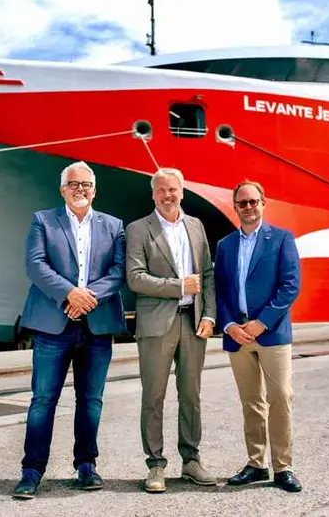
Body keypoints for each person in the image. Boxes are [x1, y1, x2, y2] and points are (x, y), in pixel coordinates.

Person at [12, 161, 127, 500]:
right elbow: (35, 264)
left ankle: (86, 465)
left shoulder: (114, 225)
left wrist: (87, 299)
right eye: (74, 184)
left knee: (91, 401)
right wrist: (69, 293)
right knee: (43, 400)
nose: (81, 189)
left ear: (95, 190)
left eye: (87, 184)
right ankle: (32, 470)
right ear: (62, 189)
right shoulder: (43, 221)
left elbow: (119, 270)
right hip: (53, 326)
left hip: (97, 326)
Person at [125, 167, 217, 493]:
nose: (168, 195)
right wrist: (179, 286)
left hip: (193, 323)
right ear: (153, 194)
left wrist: (209, 315)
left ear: (182, 191)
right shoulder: (138, 230)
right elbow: (135, 278)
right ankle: (155, 465)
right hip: (156, 324)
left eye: (173, 190)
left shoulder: (195, 225)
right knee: (154, 396)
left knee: (191, 395)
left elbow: (206, 275)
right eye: (161, 190)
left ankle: (191, 461)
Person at [214, 180, 303, 493]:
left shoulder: (281, 239)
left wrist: (262, 322)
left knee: (280, 399)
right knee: (251, 402)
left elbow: (290, 286)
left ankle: (283, 466)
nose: (248, 207)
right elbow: (220, 291)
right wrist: (229, 326)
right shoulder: (225, 245)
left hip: (272, 333)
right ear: (235, 207)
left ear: (263, 203)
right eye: (242, 203)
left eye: (253, 202)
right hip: (236, 335)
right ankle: (256, 463)